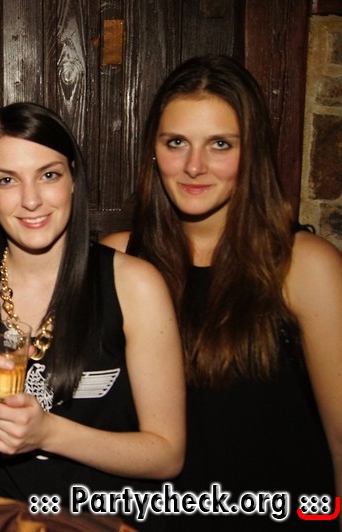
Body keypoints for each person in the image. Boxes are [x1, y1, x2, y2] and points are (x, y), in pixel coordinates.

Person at [101, 55, 342, 530]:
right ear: (154, 151)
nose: (194, 166)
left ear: (251, 152)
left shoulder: (305, 265)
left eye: (220, 144)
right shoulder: (118, 259)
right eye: (176, 143)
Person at [0, 102, 185, 528]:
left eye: (48, 175)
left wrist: (48, 433)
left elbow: (167, 455)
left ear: (73, 178)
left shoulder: (135, 285)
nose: (31, 200)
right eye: (7, 180)